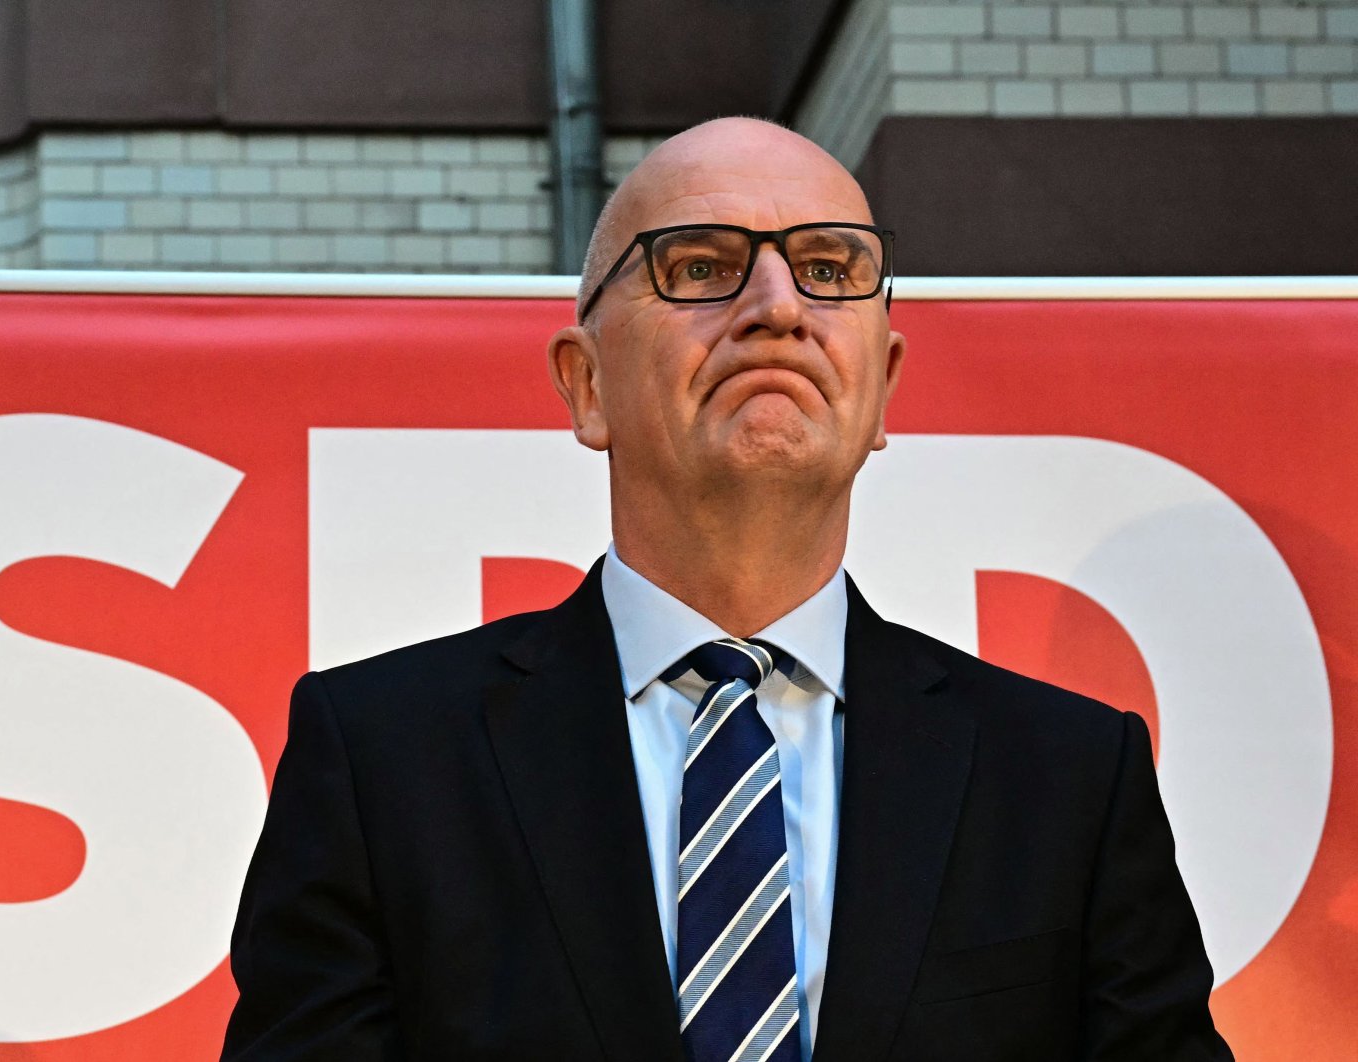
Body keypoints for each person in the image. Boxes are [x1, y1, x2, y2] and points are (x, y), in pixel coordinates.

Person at [221, 117, 1232, 1061]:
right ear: (585, 385)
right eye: (701, 266)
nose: (778, 308)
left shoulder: (1067, 781)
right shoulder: (380, 760)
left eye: (829, 269)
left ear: (882, 385)